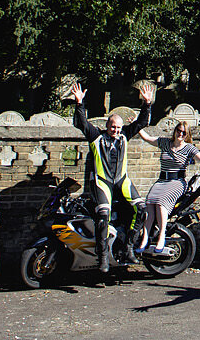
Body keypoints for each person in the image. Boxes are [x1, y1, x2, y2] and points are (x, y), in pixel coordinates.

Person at [70, 81, 153, 272]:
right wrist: (79, 103)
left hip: (121, 180)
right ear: (107, 126)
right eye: (113, 127)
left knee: (141, 209)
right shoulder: (96, 137)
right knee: (102, 216)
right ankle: (103, 256)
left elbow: (142, 123)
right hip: (102, 181)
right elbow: (82, 123)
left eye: (118, 128)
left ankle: (129, 247)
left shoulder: (124, 136)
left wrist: (147, 104)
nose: (115, 131)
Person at [135, 119, 200, 255]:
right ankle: (145, 238)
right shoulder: (165, 143)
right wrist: (137, 125)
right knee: (149, 203)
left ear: (187, 135)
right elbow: (147, 138)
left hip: (177, 182)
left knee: (160, 203)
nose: (180, 134)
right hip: (161, 181)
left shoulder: (188, 148)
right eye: (178, 131)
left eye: (184, 132)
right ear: (175, 131)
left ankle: (161, 236)